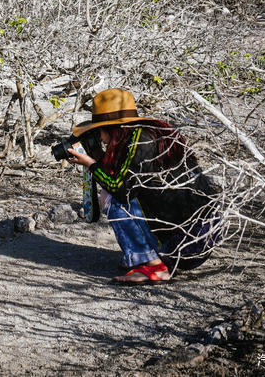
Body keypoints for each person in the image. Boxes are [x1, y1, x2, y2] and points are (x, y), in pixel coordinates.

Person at [66, 88, 220, 284]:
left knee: (113, 200)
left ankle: (153, 265)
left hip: (188, 243)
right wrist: (97, 158)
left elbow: (121, 190)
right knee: (120, 194)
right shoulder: (145, 135)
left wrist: (91, 164)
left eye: (98, 130)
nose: (99, 137)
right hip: (201, 236)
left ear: (112, 128)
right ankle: (151, 257)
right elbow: (132, 178)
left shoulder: (139, 143)